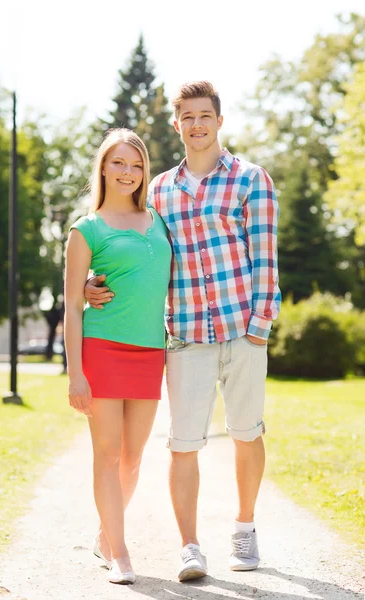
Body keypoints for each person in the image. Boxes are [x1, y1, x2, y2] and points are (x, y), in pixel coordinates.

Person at [84, 81, 281, 581]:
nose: (196, 124)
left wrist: (259, 327)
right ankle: (190, 546)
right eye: (187, 117)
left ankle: (245, 527)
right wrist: (92, 281)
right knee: (183, 444)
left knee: (245, 433)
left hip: (242, 331)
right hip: (186, 335)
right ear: (177, 125)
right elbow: (129, 243)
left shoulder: (251, 180)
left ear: (219, 120)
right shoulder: (161, 191)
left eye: (204, 116)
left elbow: (265, 257)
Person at [64, 128, 172, 585]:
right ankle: (120, 551)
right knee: (107, 456)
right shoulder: (85, 230)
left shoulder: (158, 219)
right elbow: (72, 304)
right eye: (119, 163)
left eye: (136, 164)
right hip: (103, 349)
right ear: (103, 168)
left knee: (133, 457)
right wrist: (76, 375)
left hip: (151, 350)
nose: (128, 172)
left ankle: (105, 533)